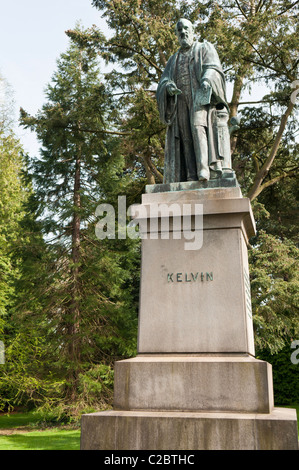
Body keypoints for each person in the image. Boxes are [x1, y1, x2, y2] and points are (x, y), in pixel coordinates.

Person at [156, 18, 233, 183]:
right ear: (176, 35)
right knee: (185, 136)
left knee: (199, 128)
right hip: (180, 100)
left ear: (192, 31)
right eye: (179, 30)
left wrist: (206, 79)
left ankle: (204, 169)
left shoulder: (204, 48)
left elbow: (214, 68)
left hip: (199, 98)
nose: (183, 32)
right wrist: (168, 87)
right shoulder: (173, 59)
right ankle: (191, 174)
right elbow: (164, 81)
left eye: (186, 29)